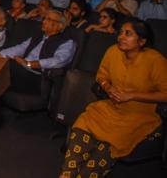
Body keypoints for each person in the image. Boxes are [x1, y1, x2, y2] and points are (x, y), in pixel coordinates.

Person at [59, 21, 167, 178]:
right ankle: (66, 174)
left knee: (108, 145)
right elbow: (101, 76)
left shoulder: (156, 60)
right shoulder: (113, 51)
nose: (121, 37)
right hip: (111, 107)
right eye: (121, 32)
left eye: (128, 34)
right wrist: (108, 88)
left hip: (138, 115)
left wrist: (132, 95)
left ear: (142, 41)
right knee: (84, 122)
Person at [0, 10, 75, 89]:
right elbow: (20, 48)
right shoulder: (38, 36)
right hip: (21, 68)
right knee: (0, 64)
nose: (44, 21)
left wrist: (29, 64)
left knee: (6, 68)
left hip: (36, 75)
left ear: (60, 26)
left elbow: (58, 60)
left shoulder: (67, 42)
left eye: (49, 19)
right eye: (44, 18)